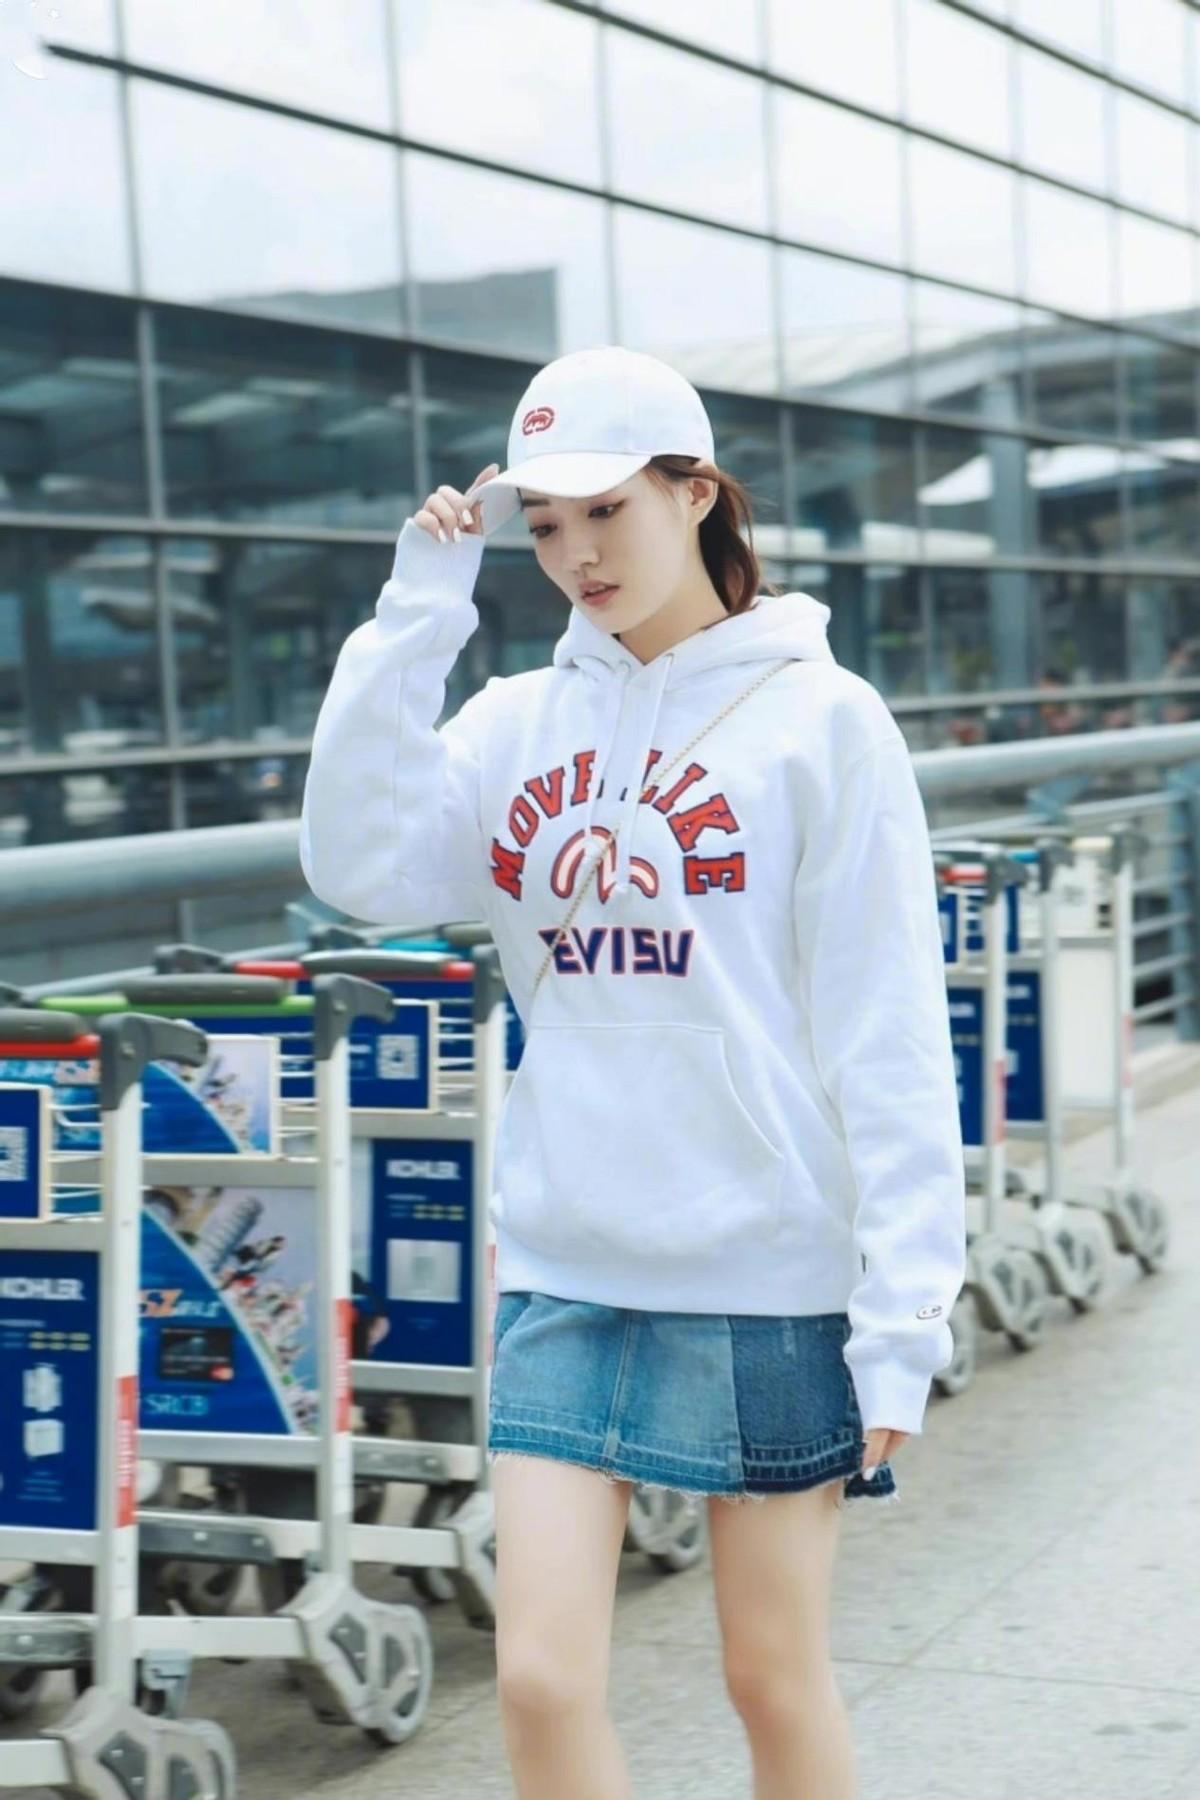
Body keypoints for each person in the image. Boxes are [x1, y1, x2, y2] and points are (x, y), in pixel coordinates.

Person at [299, 345, 966, 1800]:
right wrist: (420, 613)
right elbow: (357, 863)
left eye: (607, 510)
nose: (577, 556)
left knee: (770, 1676)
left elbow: (889, 1028)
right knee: (540, 1681)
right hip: (570, 1260)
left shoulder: (824, 721)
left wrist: (906, 1305)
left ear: (695, 492)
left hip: (770, 1269)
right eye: (545, 526)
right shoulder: (515, 724)